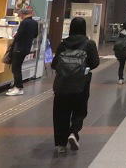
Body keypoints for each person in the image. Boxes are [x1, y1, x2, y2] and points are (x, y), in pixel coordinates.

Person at [51, 17, 99, 154]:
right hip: (81, 84)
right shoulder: (89, 44)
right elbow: (95, 63)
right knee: (79, 111)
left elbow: (54, 64)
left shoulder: (63, 44)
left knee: (60, 114)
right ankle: (73, 132)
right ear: (84, 28)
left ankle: (60, 144)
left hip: (62, 85)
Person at [6, 7, 39, 96]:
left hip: (19, 48)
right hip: (26, 47)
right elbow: (35, 35)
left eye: (20, 15)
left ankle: (18, 88)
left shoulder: (24, 22)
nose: (20, 16)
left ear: (22, 14)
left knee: (16, 68)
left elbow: (19, 35)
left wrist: (15, 35)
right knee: (17, 67)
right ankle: (16, 86)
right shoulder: (35, 23)